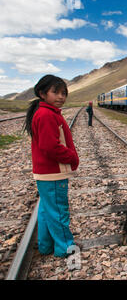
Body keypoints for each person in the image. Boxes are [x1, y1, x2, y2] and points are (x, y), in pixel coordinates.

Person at [24, 74, 80, 258]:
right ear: (42, 93)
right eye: (55, 92)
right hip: (53, 172)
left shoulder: (44, 112)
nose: (61, 97)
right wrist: (72, 157)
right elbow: (50, 146)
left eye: (64, 93)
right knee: (58, 211)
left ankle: (46, 245)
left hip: (45, 172)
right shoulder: (47, 115)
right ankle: (65, 247)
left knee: (47, 210)